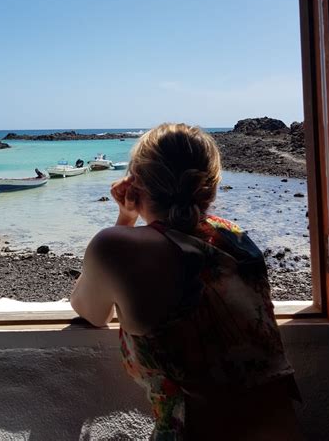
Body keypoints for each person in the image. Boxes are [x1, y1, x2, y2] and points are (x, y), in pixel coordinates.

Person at [70, 123, 302, 440]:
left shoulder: (115, 247)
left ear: (135, 184)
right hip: (283, 429)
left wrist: (125, 219)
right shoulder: (236, 239)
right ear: (210, 184)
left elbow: (91, 311)